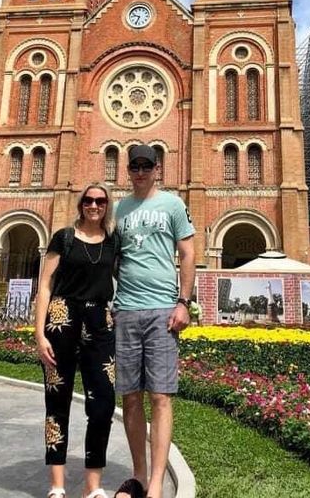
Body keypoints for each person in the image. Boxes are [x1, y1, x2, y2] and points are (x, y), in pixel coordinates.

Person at [113, 145, 195, 498]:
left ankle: (158, 484)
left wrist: (183, 302)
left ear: (157, 168)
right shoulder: (119, 209)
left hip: (163, 310)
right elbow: (112, 258)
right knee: (130, 398)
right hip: (127, 310)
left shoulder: (174, 205)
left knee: (160, 396)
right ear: (128, 170)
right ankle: (139, 475)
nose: (141, 171)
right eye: (135, 166)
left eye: (147, 165)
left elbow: (188, 252)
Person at [35, 182, 117, 498]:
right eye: (88, 200)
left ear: (107, 205)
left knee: (103, 406)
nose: (93, 205)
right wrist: (39, 333)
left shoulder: (113, 242)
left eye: (100, 201)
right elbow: (45, 285)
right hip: (61, 319)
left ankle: (92, 487)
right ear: (80, 203)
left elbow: (129, 278)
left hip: (99, 322)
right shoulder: (64, 238)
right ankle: (57, 486)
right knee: (57, 403)